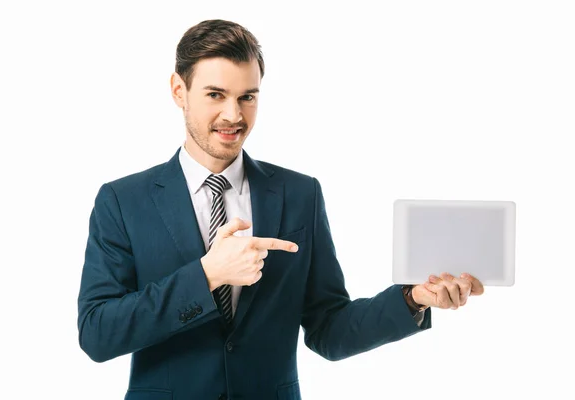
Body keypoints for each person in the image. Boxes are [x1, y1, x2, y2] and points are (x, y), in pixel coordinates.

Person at [77, 19, 484, 400]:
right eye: (215, 95)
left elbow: (329, 328)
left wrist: (413, 299)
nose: (233, 116)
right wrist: (207, 275)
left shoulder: (299, 194)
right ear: (178, 91)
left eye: (247, 97)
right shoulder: (122, 201)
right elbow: (97, 334)